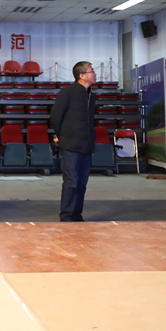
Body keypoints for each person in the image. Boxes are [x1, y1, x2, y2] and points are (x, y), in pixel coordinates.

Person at [50, 61, 97, 222]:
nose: (95, 74)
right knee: (72, 181)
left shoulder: (91, 95)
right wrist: (63, 136)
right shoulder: (67, 93)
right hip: (70, 144)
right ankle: (67, 216)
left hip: (86, 144)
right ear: (82, 75)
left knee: (82, 183)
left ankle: (77, 215)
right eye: (91, 71)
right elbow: (55, 116)